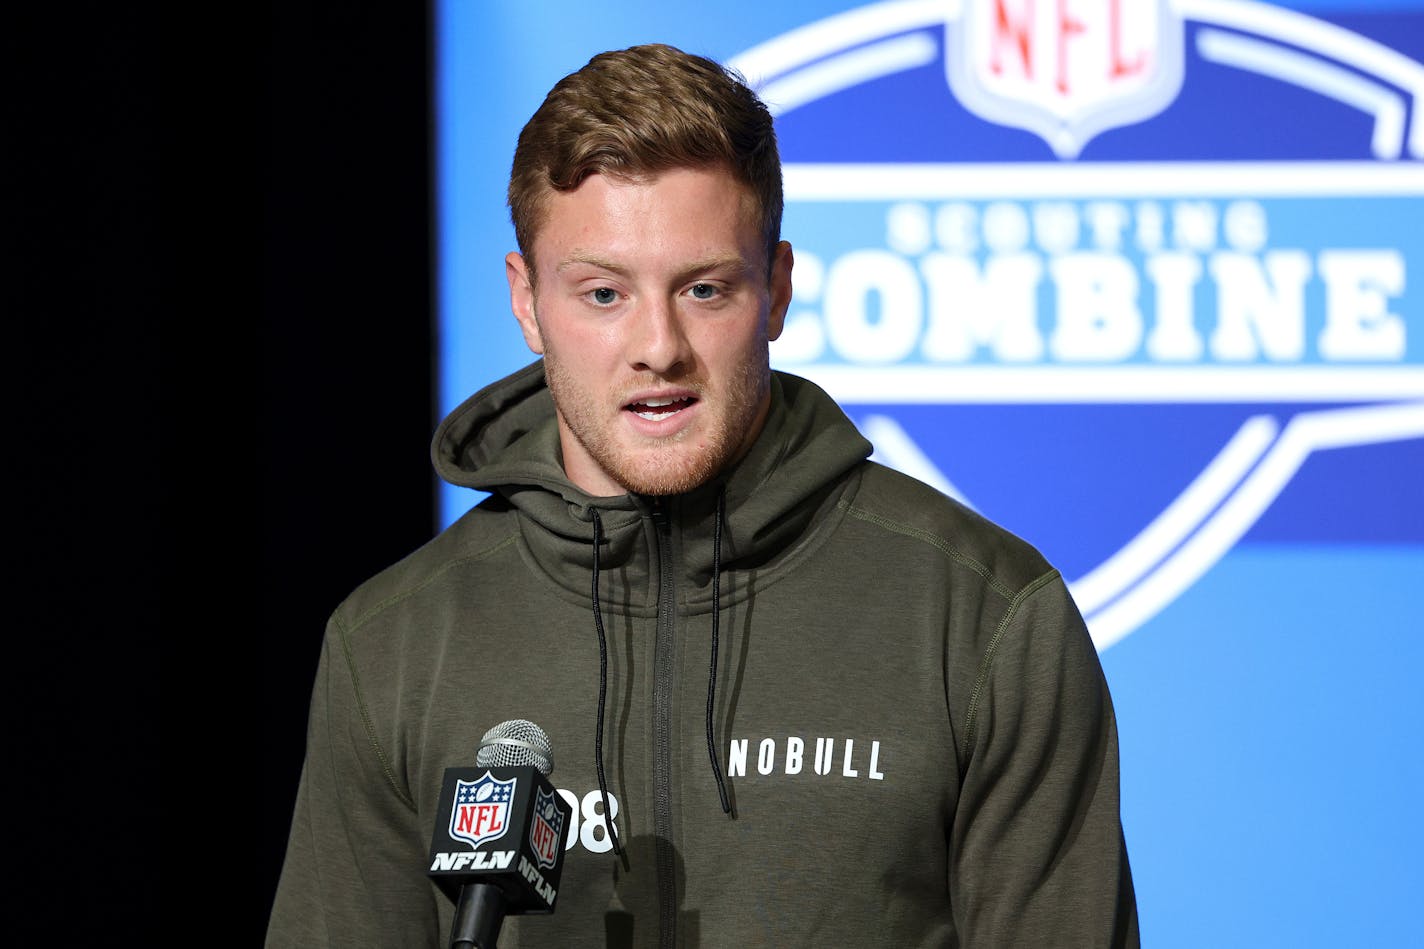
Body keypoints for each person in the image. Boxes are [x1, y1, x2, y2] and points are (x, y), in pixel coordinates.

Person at [267, 42, 1138, 947]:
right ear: (526, 302)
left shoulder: (984, 616)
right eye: (603, 292)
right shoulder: (395, 643)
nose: (659, 346)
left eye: (705, 288)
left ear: (778, 291)